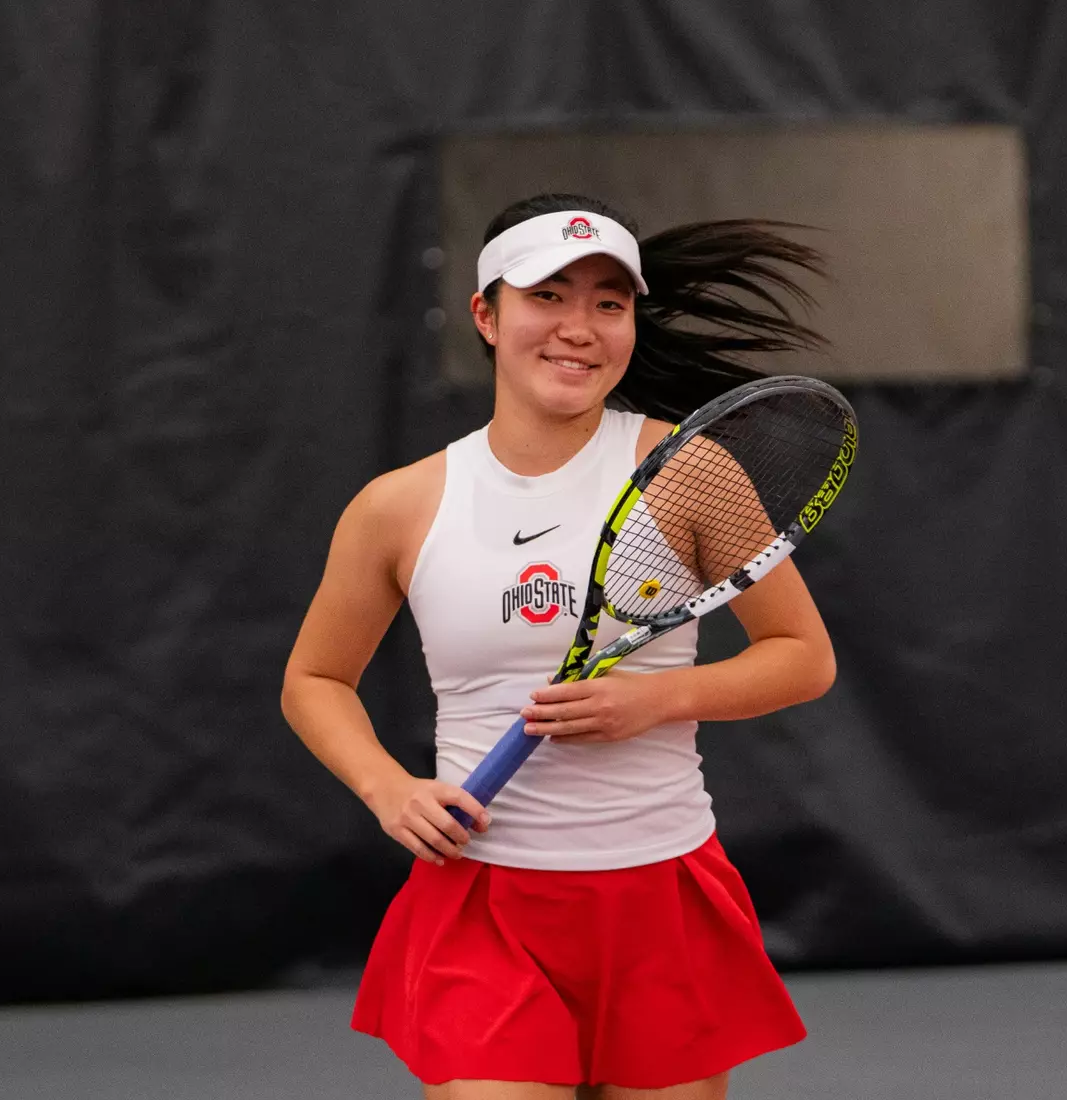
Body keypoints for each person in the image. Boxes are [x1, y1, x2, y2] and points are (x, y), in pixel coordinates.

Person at [281, 193, 836, 1100]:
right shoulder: (398, 505)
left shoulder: (689, 474)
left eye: (609, 303)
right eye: (548, 295)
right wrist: (388, 789)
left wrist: (655, 698)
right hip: (483, 905)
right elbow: (314, 678)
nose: (579, 328)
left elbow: (802, 655)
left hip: (661, 898)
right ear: (487, 316)